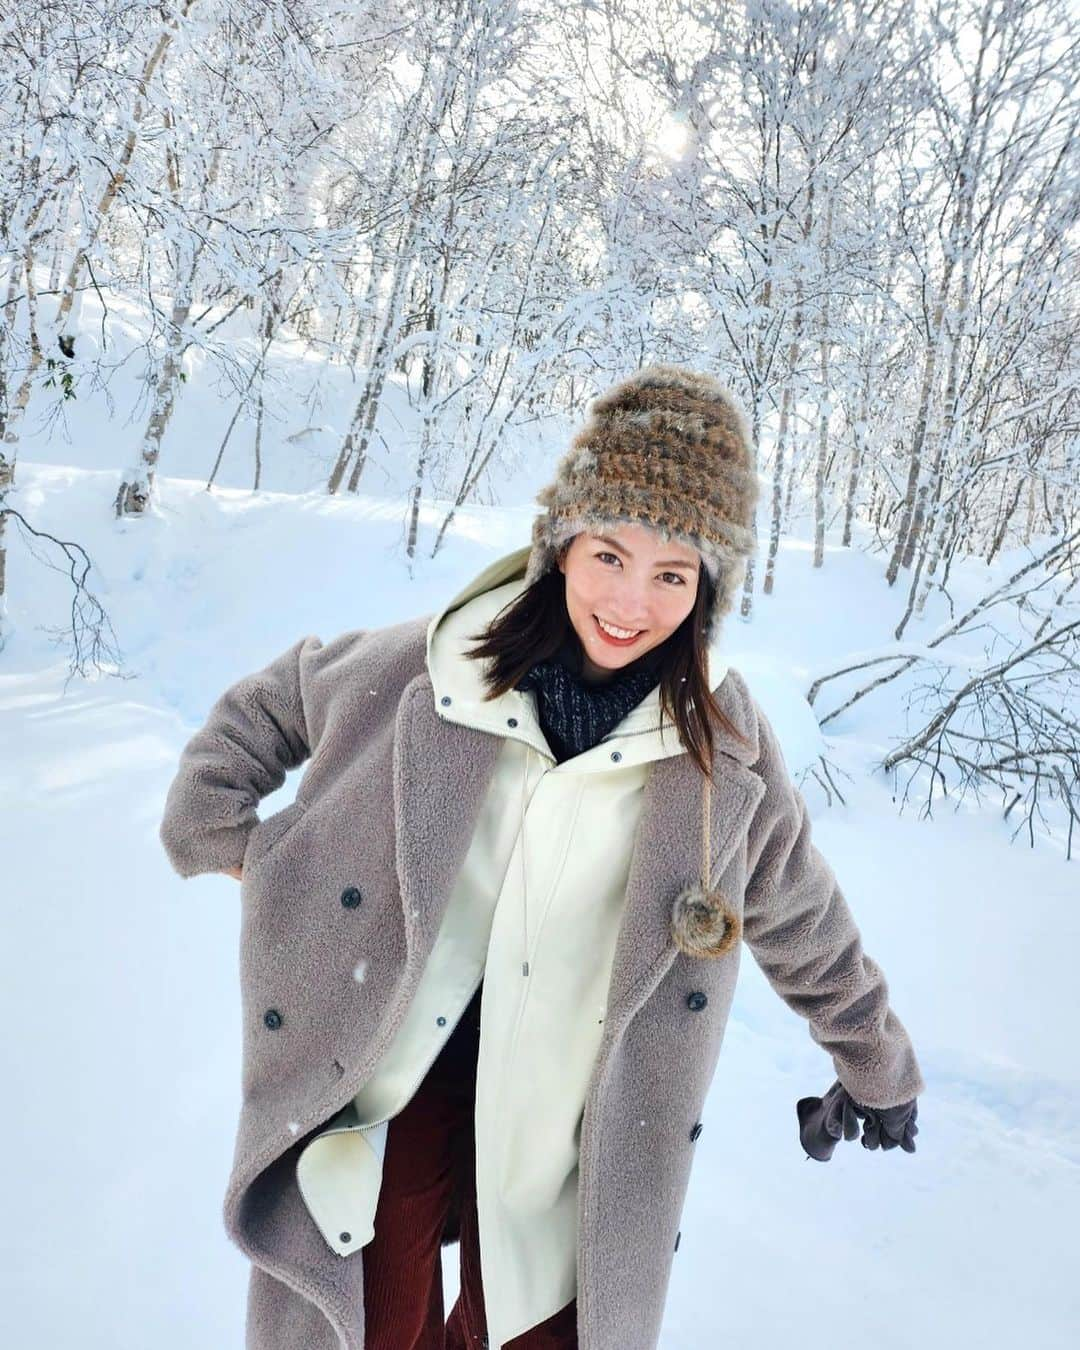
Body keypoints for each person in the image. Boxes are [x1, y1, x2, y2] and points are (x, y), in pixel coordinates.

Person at [159, 363, 924, 1350]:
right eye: (610, 554)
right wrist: (225, 839)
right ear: (563, 544)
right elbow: (275, 705)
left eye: (672, 575)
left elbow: (799, 912)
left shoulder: (720, 753)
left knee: (537, 1331)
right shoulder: (433, 668)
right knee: (361, 1323)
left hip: (573, 1108)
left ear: (705, 593)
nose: (630, 600)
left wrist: (877, 1065)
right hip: (394, 1067)